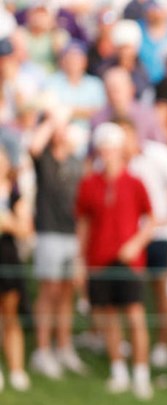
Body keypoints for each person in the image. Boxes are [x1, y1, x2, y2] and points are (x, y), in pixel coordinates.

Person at [75, 122, 155, 400]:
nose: (107, 153)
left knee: (135, 317)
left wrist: (135, 243)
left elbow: (150, 221)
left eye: (112, 147)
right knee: (109, 318)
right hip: (99, 259)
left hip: (129, 262)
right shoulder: (89, 184)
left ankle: (142, 374)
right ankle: (118, 371)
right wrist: (79, 260)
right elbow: (84, 224)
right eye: (103, 148)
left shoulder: (135, 183)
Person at [118, 117, 167, 370]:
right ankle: (129, 344)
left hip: (159, 235)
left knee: (161, 288)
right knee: (129, 292)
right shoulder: (113, 162)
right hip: (128, 238)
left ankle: (162, 346)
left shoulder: (157, 154)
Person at [28, 105, 88, 378]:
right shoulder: (45, 160)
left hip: (72, 234)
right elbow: (34, 146)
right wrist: (52, 120)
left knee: (66, 292)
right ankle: (42, 349)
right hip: (49, 232)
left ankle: (63, 346)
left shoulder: (76, 161)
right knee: (48, 292)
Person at [0, 144, 33, 392]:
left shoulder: (14, 193)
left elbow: (24, 228)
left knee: (10, 315)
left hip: (8, 258)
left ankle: (17, 369)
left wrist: (6, 223)